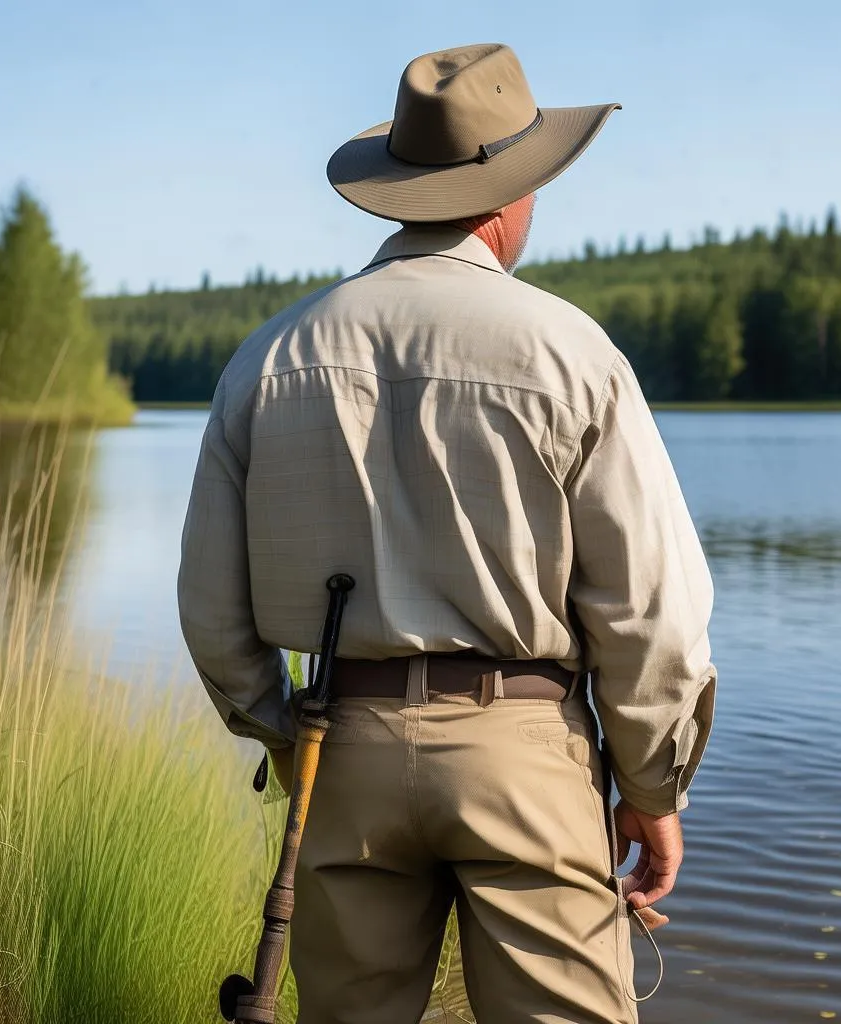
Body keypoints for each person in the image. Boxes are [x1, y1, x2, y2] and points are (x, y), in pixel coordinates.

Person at [178, 42, 716, 1024]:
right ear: (509, 197)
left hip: (340, 749)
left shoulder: (267, 359)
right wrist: (651, 784)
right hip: (525, 755)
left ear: (399, 188)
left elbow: (214, 617)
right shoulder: (571, 353)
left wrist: (287, 736)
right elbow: (651, 613)